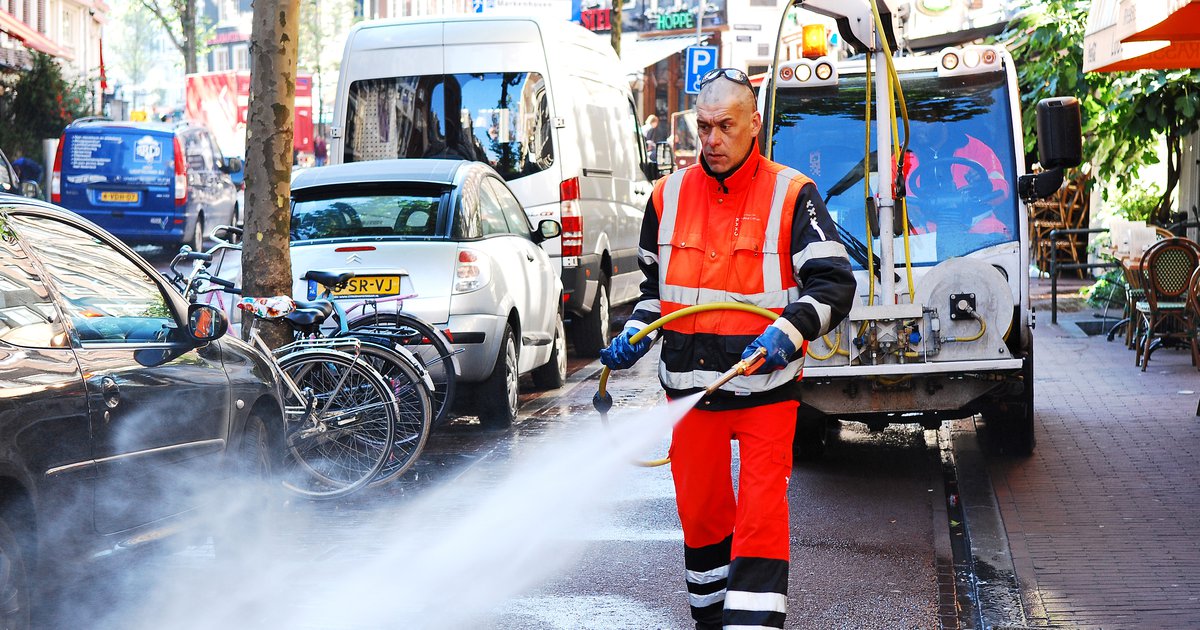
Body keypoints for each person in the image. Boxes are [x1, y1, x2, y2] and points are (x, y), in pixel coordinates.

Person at [600, 67, 855, 630]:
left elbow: (834, 283)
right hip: (690, 394)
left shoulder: (793, 194)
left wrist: (786, 334)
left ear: (754, 125)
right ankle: (712, 621)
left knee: (761, 519)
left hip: (765, 391)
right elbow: (654, 293)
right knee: (702, 520)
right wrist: (633, 338)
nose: (711, 141)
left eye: (725, 127)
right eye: (704, 127)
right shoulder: (666, 197)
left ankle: (753, 625)